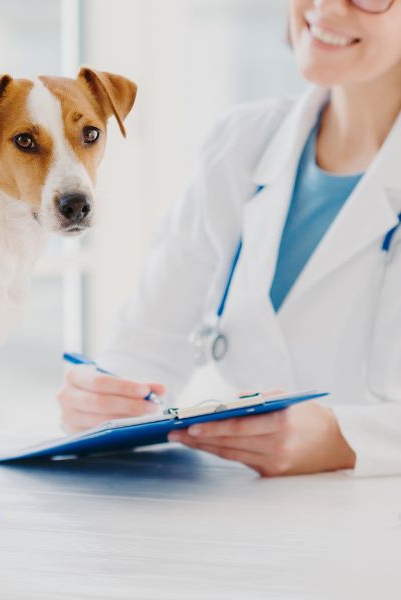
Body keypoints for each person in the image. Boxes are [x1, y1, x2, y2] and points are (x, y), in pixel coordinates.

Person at [56, 0, 401, 477]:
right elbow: (145, 348)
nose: (324, 6)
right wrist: (103, 400)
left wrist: (346, 439)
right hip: (238, 522)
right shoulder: (241, 141)